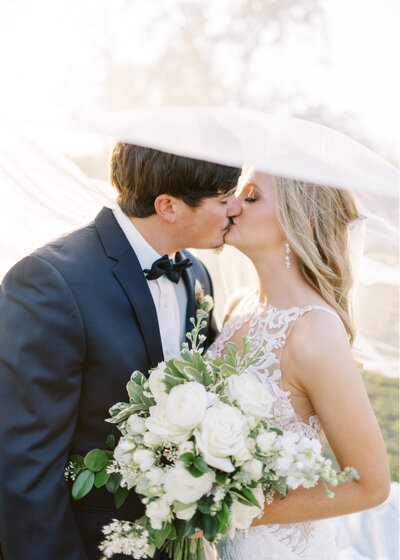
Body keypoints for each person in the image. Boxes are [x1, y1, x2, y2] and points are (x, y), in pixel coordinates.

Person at [0, 142, 241, 560]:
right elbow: (24, 465)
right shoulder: (50, 282)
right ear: (167, 206)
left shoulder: (196, 274)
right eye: (223, 200)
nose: (235, 208)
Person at [208, 169, 391, 560]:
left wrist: (226, 513)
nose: (232, 205)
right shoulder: (239, 306)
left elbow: (370, 485)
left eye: (252, 197)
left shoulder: (315, 333)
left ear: (298, 220)